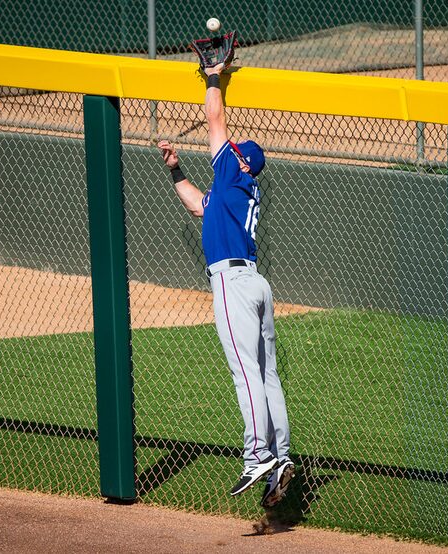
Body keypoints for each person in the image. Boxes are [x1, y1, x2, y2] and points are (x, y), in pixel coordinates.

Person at [157, 62, 294, 506]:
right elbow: (198, 205)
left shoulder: (233, 173)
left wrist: (213, 76)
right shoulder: (232, 191)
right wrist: (176, 170)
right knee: (267, 373)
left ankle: (257, 455)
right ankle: (282, 458)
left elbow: (215, 119)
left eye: (234, 150)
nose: (227, 147)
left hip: (233, 284)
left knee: (245, 373)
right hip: (255, 282)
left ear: (240, 162)